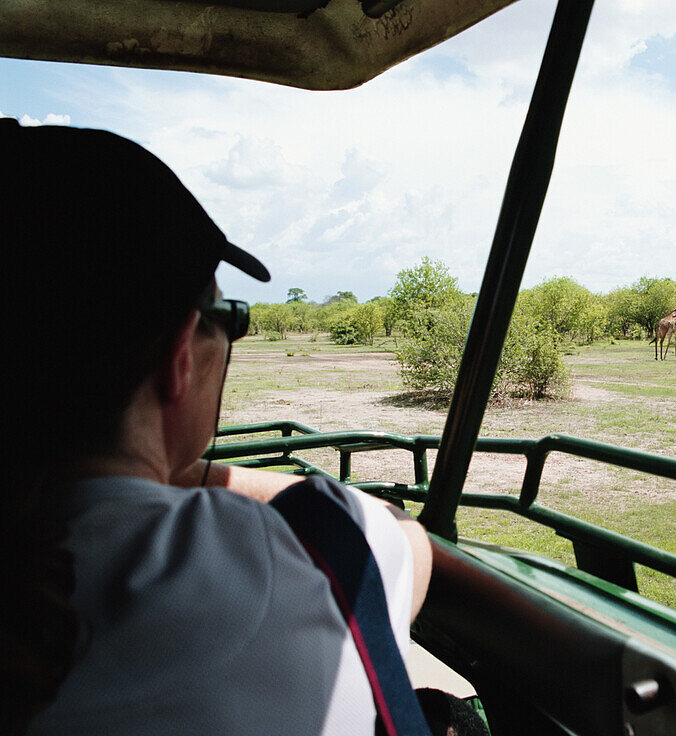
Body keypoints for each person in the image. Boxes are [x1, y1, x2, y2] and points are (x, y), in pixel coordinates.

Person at [0, 119, 433, 735]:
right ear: (180, 354)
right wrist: (195, 472)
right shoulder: (288, 553)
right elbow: (404, 539)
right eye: (228, 318)